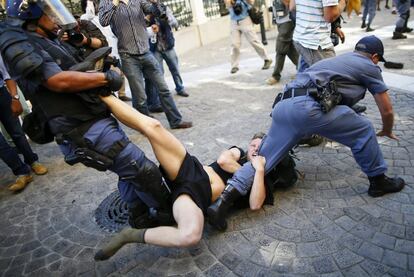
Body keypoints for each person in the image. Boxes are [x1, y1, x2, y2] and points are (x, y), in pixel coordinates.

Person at [208, 35, 406, 230]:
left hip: (283, 107)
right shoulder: (369, 65)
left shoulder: (338, 61)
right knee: (363, 129)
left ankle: (220, 205)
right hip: (307, 109)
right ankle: (379, 182)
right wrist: (387, 129)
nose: (377, 63)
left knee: (262, 161)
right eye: (378, 60)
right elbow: (387, 109)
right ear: (374, 57)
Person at [3, 0, 171, 226]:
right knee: (142, 170)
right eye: (48, 14)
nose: (55, 18)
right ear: (31, 17)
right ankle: (170, 216)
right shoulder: (20, 43)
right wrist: (106, 78)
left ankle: (139, 216)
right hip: (80, 127)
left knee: (127, 170)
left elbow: (76, 64)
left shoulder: (47, 39)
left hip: (91, 117)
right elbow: (57, 81)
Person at [93, 96, 270, 260]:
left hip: (195, 197)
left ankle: (128, 235)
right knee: (154, 127)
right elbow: (223, 161)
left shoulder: (260, 175)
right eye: (253, 144)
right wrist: (246, 169)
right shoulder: (239, 153)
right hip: (192, 171)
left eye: (259, 147)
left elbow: (255, 204)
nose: (254, 149)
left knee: (190, 235)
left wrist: (259, 171)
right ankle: (101, 94)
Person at [99, 0, 192, 129]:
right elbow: (103, 21)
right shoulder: (107, 2)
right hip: (128, 56)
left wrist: (156, 3)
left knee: (163, 88)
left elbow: (157, 12)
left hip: (146, 53)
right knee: (140, 96)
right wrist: (115, 3)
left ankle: (175, 121)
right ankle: (144, 125)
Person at [0, 55, 48, 191]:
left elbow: (6, 75)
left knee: (17, 133)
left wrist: (15, 98)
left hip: (2, 95)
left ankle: (32, 161)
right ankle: (22, 172)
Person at [290, 0, 346, 72]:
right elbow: (329, 16)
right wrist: (343, 3)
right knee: (332, 76)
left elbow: (292, 7)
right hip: (316, 43)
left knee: (305, 77)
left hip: (301, 38)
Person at [148, 5, 189, 98]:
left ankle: (180, 88)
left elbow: (175, 23)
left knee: (175, 68)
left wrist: (167, 18)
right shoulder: (145, 10)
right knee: (159, 73)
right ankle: (163, 93)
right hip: (155, 48)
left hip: (168, 46)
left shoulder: (165, 8)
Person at [224, 0, 272, 74]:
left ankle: (267, 59)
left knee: (254, 41)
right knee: (234, 44)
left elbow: (251, 2)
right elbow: (228, 4)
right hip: (234, 22)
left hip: (245, 20)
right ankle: (234, 66)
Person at [266, 0, 299, 85]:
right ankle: (303, 69)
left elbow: (289, 3)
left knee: (280, 48)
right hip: (282, 20)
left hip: (286, 20)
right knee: (289, 49)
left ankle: (276, 75)